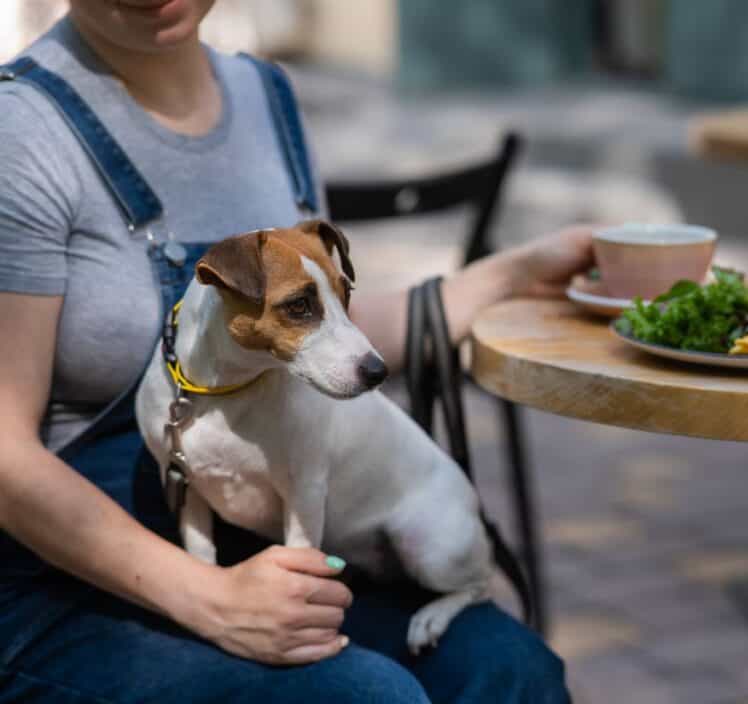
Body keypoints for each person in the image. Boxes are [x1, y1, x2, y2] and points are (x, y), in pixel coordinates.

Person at [0, 1, 593, 702]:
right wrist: (210, 598)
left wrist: (514, 274)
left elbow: (309, 331)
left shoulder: (266, 97)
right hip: (71, 573)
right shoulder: (22, 132)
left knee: (512, 672)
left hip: (255, 542)